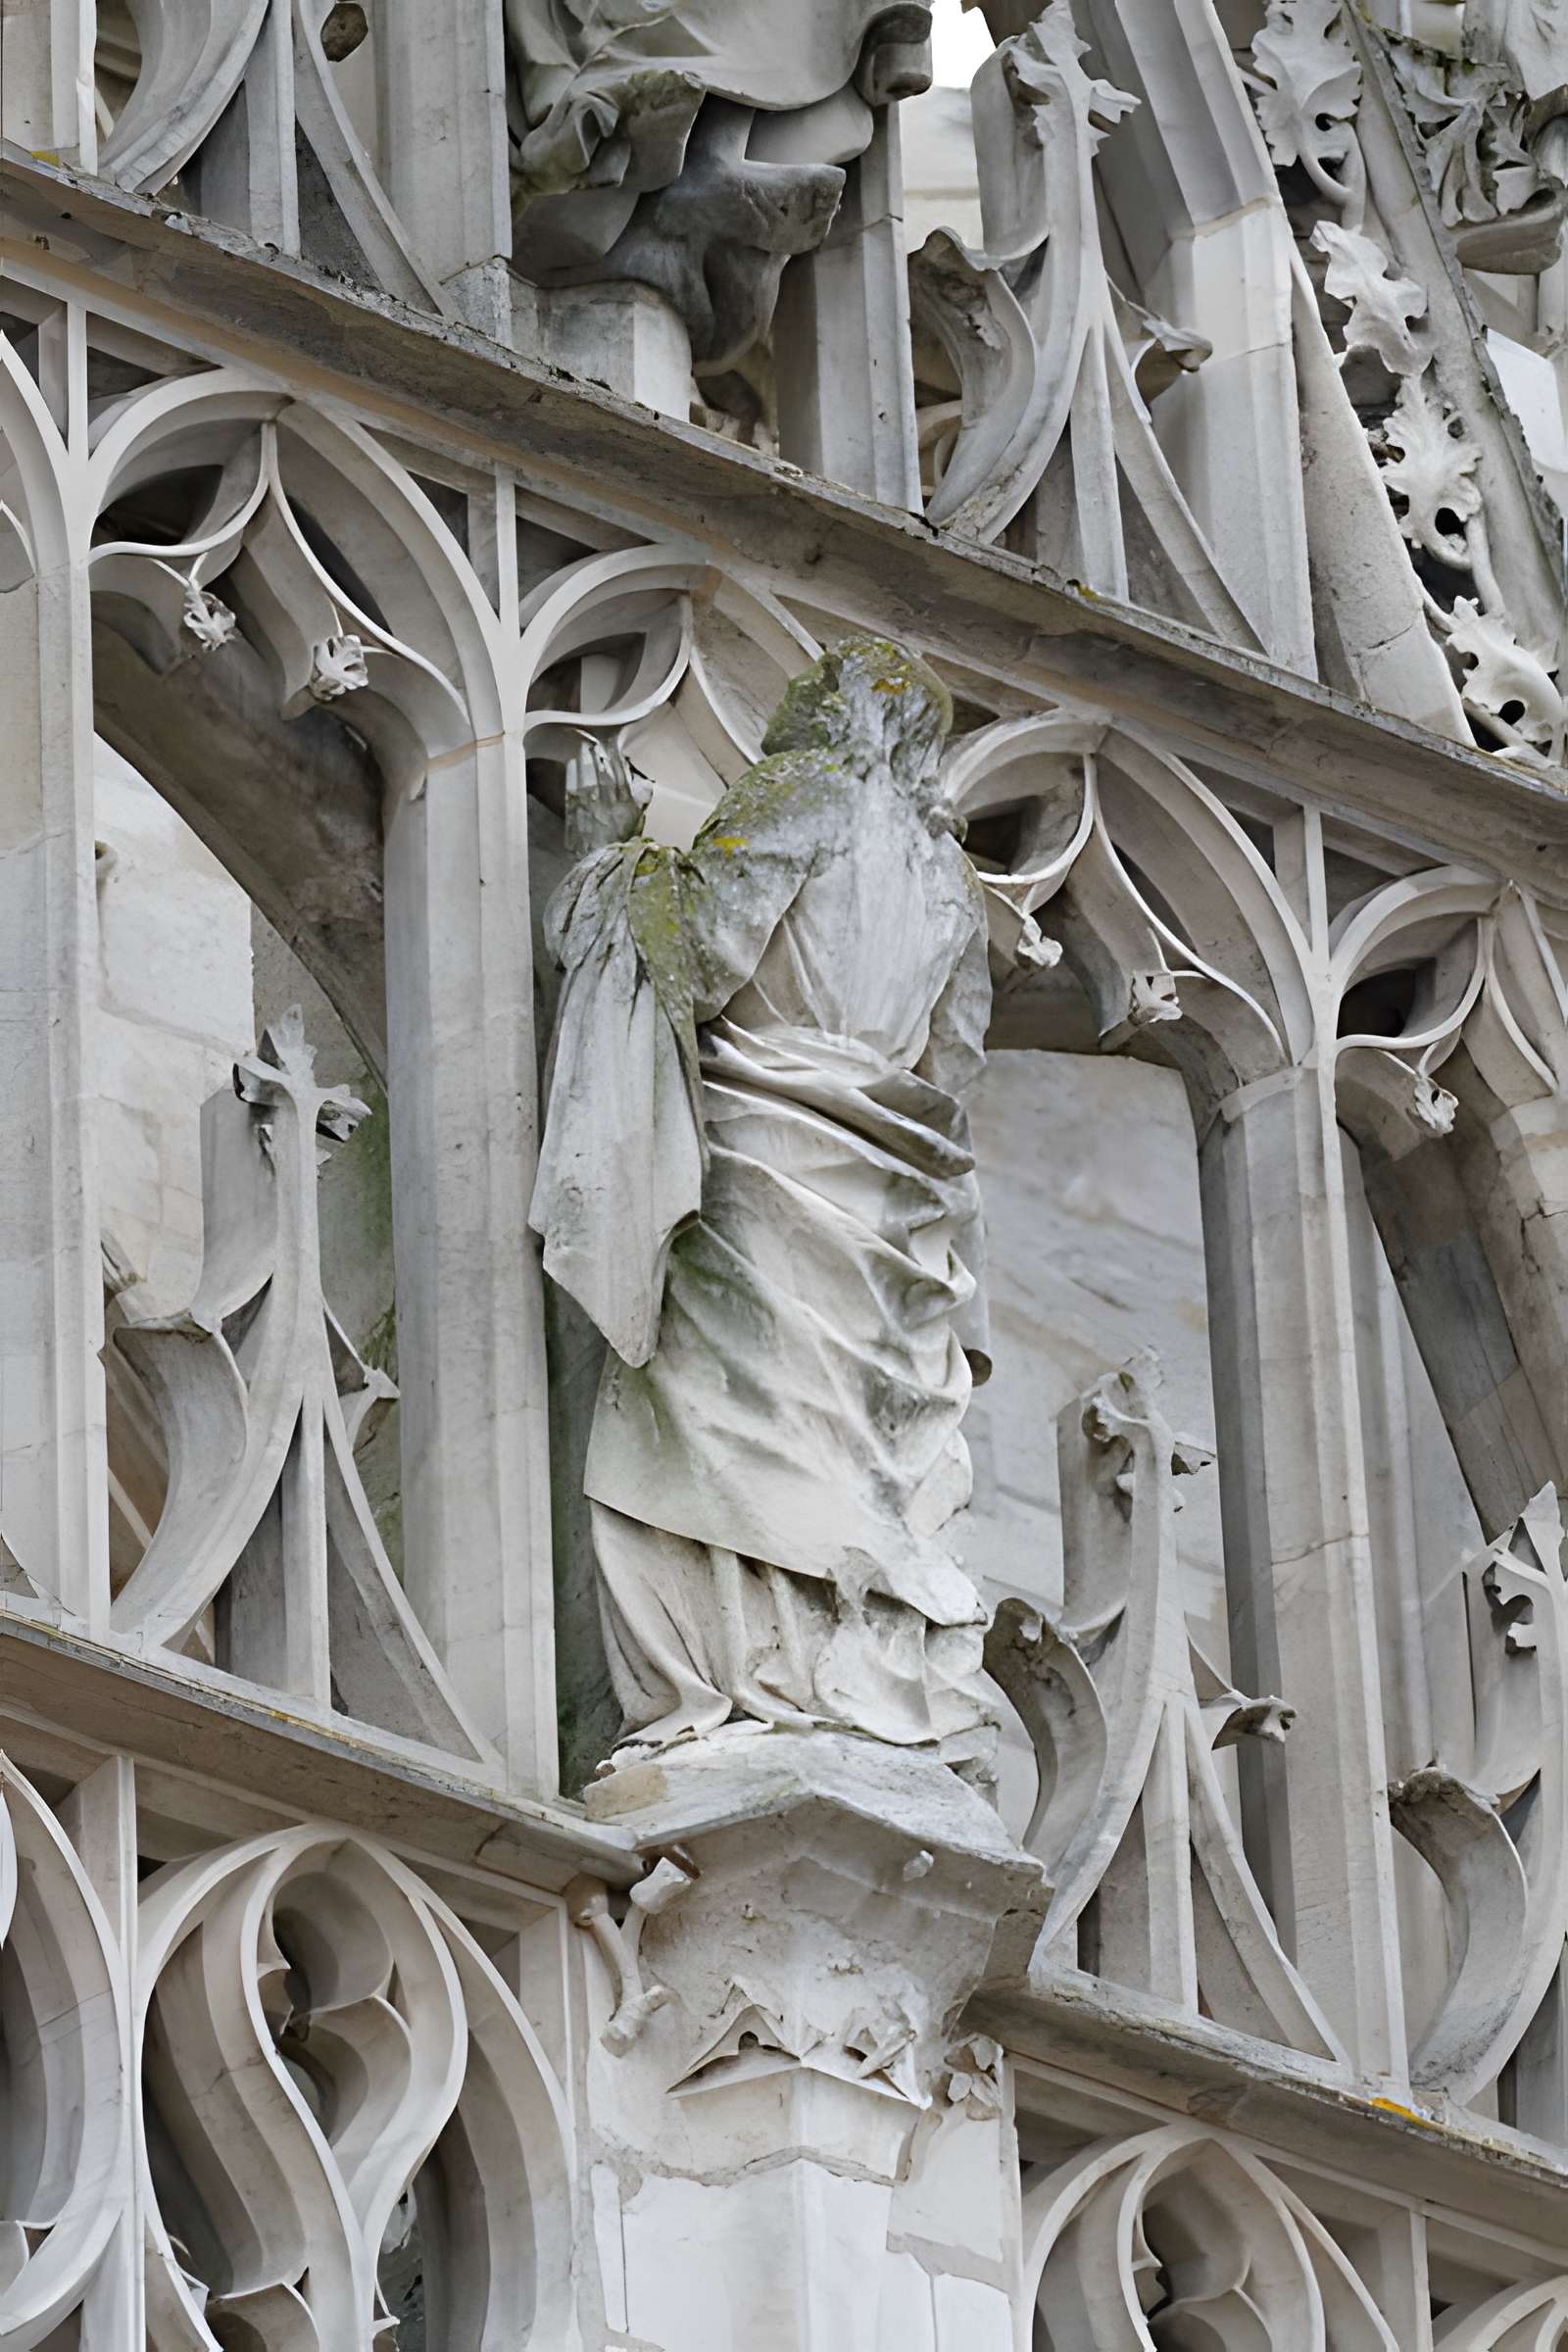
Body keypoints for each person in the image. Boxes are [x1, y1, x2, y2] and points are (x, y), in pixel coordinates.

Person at [530, 637, 996, 1761]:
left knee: (717, 1420)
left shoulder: (805, 795)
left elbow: (690, 950)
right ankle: (846, 1677)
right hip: (886, 1185)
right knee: (851, 1445)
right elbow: (955, 1063)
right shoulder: (952, 886)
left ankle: (743, 1680)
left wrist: (609, 856)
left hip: (762, 1147)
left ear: (837, 721)